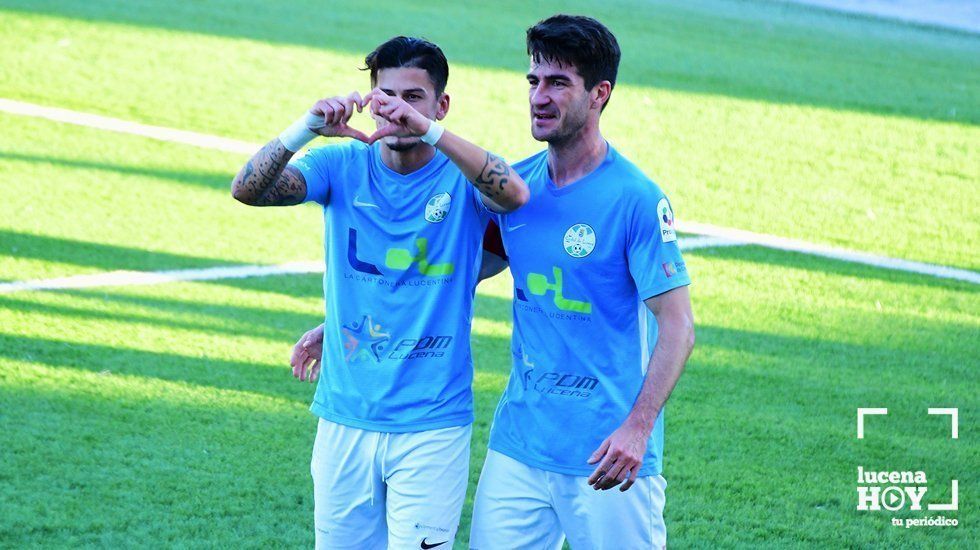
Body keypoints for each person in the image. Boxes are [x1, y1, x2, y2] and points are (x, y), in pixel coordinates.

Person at [232, 36, 528, 549]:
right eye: (386, 96)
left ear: (442, 105)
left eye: (414, 98)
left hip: (431, 425)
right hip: (343, 418)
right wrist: (306, 127)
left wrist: (431, 133)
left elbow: (514, 193)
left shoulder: (461, 176)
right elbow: (247, 190)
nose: (398, 110)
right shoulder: (341, 165)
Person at [466, 15, 695, 549]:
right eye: (534, 81)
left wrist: (637, 430)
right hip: (519, 447)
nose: (539, 97)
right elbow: (455, 281)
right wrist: (331, 324)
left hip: (608, 455)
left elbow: (678, 327)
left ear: (600, 94)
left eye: (558, 83)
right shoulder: (514, 190)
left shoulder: (635, 199)